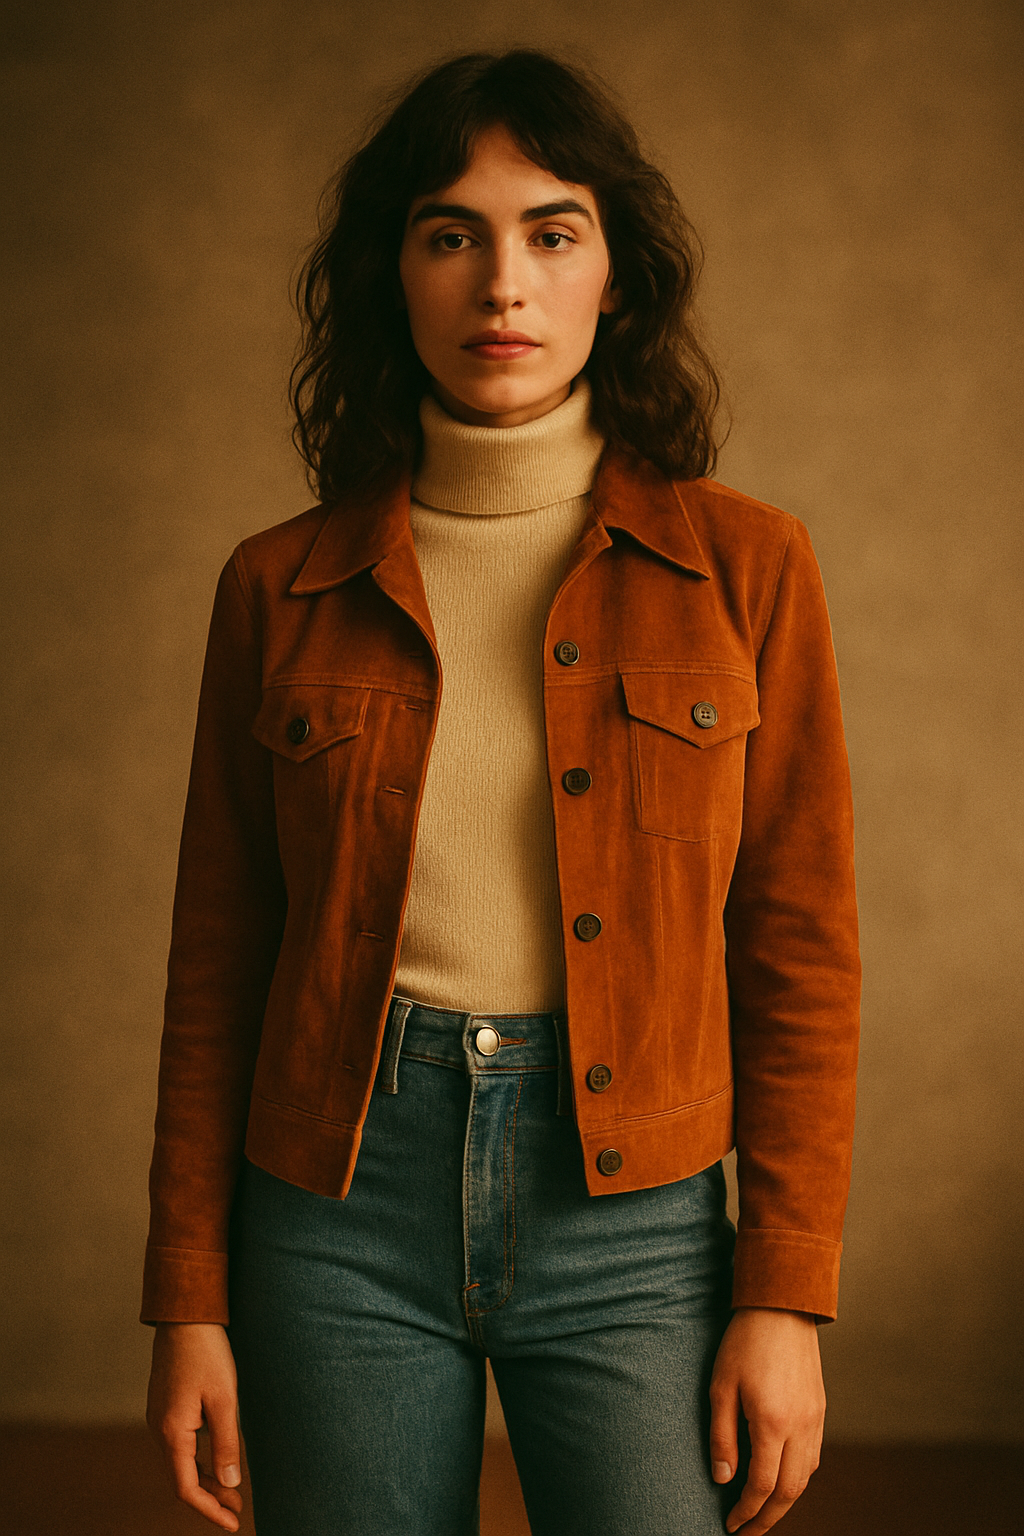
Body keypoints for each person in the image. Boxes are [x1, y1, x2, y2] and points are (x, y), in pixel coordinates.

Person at [142, 47, 860, 1536]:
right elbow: (217, 962)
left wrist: (787, 1293)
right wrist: (188, 1300)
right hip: (332, 1211)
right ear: (392, 275)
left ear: (618, 276)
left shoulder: (749, 571)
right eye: (450, 233)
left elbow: (798, 949)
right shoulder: (276, 588)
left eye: (552, 230)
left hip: (640, 1222)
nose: (501, 285)